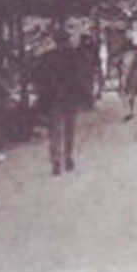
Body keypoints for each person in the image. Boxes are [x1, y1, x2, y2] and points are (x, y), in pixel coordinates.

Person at [34, 29, 87, 175]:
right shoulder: (75, 56)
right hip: (70, 97)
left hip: (54, 98)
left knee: (55, 130)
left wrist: (44, 95)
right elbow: (81, 77)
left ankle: (56, 159)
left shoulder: (47, 57)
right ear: (67, 40)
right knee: (70, 128)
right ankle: (68, 156)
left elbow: (40, 77)